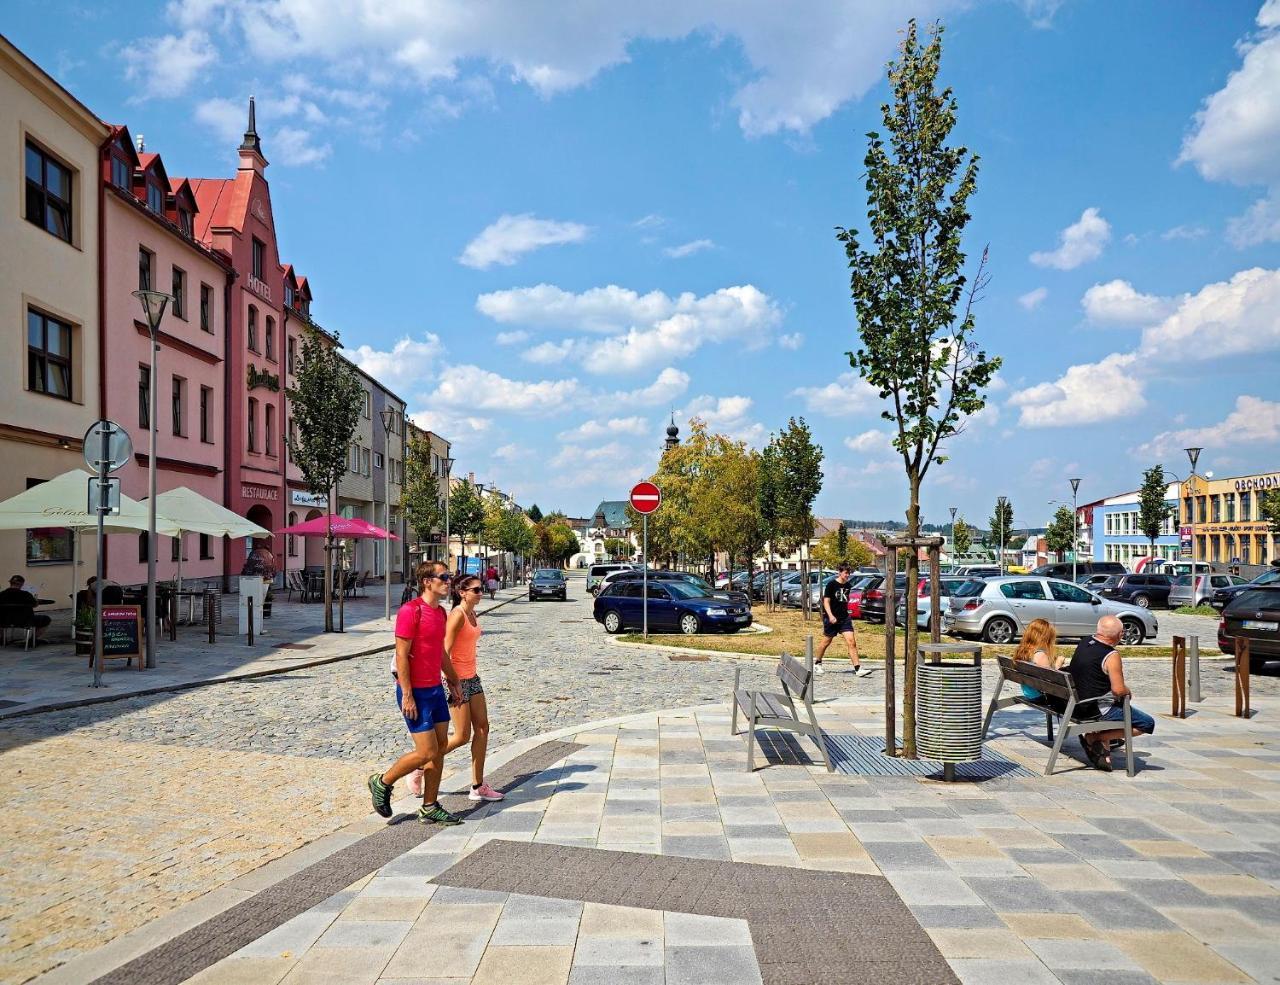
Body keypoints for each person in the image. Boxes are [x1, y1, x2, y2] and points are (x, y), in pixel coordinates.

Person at [368, 561, 464, 824]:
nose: (448, 581)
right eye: (443, 577)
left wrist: (454, 683)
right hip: (415, 693)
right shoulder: (411, 611)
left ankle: (430, 805)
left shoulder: (441, 613)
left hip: (434, 690)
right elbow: (401, 655)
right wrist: (407, 694)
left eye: (449, 576)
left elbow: (440, 653)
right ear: (427, 581)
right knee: (425, 753)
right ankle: (383, 781)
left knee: (441, 748)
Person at [443, 575, 505, 802]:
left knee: (483, 729)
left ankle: (478, 786)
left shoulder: (472, 614)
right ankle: (422, 764)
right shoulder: (457, 616)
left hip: (472, 677)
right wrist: (452, 683)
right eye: (476, 590)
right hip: (456, 680)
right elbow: (444, 651)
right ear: (462, 592)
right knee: (461, 736)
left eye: (481, 589)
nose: (481, 593)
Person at [1067, 615, 1156, 772]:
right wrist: (1128, 691)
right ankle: (1096, 737)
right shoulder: (1111, 655)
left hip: (1074, 704)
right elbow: (1119, 690)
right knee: (1147, 723)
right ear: (1120, 635)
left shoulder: (1085, 642)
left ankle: (1102, 740)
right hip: (1094, 709)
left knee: (1117, 704)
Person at [815, 565, 871, 676]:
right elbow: (826, 601)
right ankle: (817, 663)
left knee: (852, 642)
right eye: (846, 573)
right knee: (827, 641)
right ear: (839, 572)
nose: (847, 575)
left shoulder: (848, 586)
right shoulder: (831, 585)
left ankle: (858, 669)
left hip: (844, 618)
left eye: (849, 573)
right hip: (832, 618)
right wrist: (830, 616)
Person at [1013, 618, 1062, 703]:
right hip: (1041, 696)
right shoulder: (1040, 655)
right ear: (1044, 638)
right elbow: (1050, 681)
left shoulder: (1023, 651)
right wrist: (1058, 664)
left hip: (1029, 693)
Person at [0, 575, 53, 641]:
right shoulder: (26, 595)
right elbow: (34, 605)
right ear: (21, 584)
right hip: (25, 621)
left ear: (10, 583)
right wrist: (36, 602)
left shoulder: (1, 594)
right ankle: (32, 639)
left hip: (5, 621)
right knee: (46, 619)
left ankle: (2, 639)